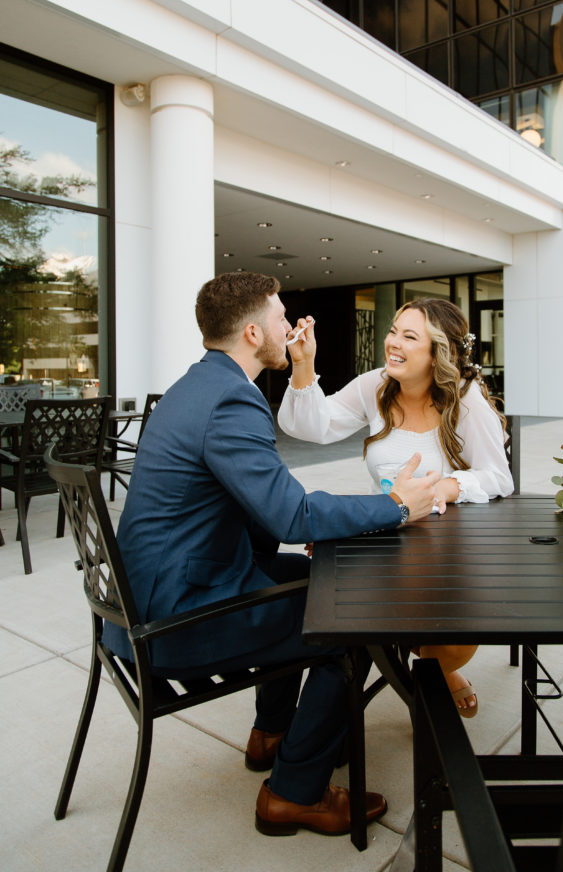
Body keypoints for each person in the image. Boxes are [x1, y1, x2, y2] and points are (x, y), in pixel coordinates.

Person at [103, 272, 442, 838]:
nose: (292, 327)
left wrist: (316, 523)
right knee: (354, 619)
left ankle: (272, 733)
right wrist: (398, 506)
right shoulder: (231, 400)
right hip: (174, 619)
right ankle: (293, 793)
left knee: (316, 580)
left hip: (153, 594)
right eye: (282, 317)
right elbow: (292, 516)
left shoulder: (197, 386)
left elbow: (267, 508)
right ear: (255, 331)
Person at [278, 297, 514, 717]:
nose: (393, 343)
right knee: (339, 616)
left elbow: (498, 476)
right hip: (384, 533)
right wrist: (303, 363)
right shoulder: (376, 385)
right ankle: (421, 676)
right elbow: (310, 426)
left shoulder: (466, 400)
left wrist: (445, 487)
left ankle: (434, 669)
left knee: (459, 637)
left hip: (447, 546)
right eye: (392, 331)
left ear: (439, 352)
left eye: (409, 336)